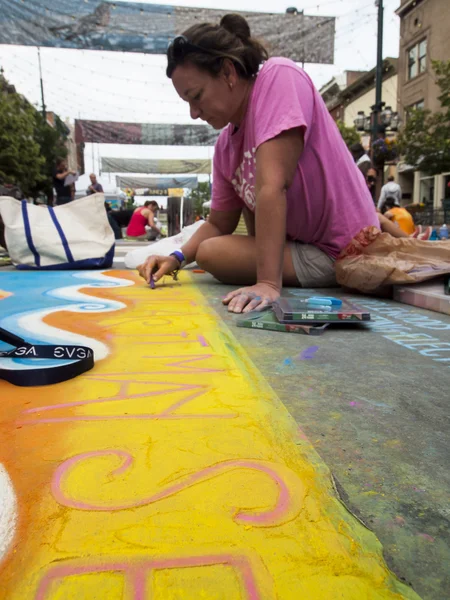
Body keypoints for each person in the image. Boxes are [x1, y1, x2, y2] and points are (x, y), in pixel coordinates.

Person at [137, 14, 378, 313]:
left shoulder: (278, 78)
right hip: (305, 248)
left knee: (212, 253)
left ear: (228, 72)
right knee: (206, 248)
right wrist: (175, 257)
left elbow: (272, 186)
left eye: (196, 96)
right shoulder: (226, 147)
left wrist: (267, 283)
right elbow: (218, 222)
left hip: (342, 252)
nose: (194, 113)